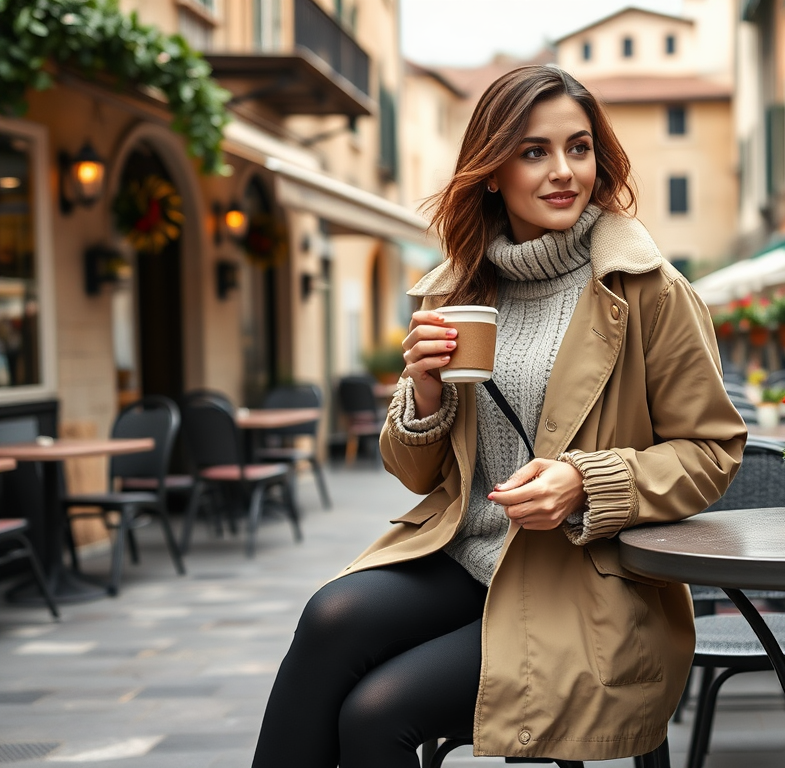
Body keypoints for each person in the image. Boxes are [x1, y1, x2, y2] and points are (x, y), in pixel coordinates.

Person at [252, 64, 746, 768]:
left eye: (579, 148)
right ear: (492, 171)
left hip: (584, 579)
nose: (563, 171)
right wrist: (423, 392)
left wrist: (584, 483)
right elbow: (417, 474)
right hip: (466, 554)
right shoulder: (457, 290)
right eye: (533, 151)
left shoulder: (647, 290)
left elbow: (711, 452)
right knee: (329, 617)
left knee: (375, 713)